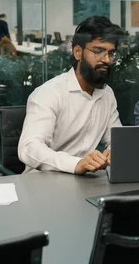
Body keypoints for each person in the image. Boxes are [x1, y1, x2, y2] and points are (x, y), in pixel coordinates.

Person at [18, 16, 124, 175]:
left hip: (85, 183)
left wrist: (114, 150)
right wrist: (76, 164)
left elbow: (117, 140)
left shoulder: (107, 94)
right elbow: (29, 148)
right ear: (78, 52)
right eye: (98, 51)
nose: (106, 60)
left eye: (111, 53)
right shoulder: (50, 93)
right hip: (42, 184)